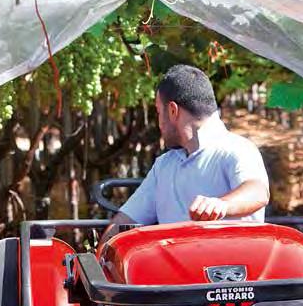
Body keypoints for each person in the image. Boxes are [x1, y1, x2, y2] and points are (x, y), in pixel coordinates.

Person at [113, 64, 270, 226]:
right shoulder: (163, 166)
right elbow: (126, 219)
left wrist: (221, 205)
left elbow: (258, 192)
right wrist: (103, 249)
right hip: (172, 252)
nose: (158, 122)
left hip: (229, 252)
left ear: (173, 111)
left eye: (159, 112)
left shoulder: (238, 149)